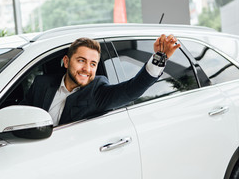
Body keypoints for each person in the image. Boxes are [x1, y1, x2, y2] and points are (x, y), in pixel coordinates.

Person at [21, 34, 180, 126]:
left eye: (93, 64)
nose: (87, 69)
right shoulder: (41, 84)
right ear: (67, 61)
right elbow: (19, 116)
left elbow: (131, 90)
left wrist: (159, 58)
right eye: (81, 61)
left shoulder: (97, 91)